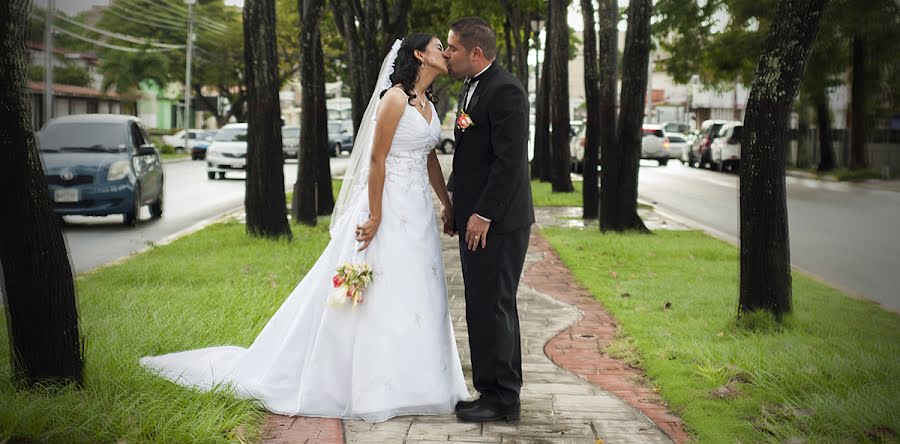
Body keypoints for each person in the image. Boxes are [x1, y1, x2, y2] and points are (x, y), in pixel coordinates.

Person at [140, 34, 469, 423]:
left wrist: (446, 205)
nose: (445, 54)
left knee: (419, 289)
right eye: (437, 47)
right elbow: (377, 161)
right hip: (388, 206)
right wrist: (376, 215)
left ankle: (423, 382)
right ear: (419, 55)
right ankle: (371, 384)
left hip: (418, 214)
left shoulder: (429, 104)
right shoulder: (394, 99)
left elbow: (429, 157)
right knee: (378, 290)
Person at [442, 17, 535, 423]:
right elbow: (467, 155)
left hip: (498, 222)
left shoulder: (506, 90)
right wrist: (454, 202)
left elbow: (509, 162)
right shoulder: (470, 88)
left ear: (475, 52)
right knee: (481, 305)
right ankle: (489, 390)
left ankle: (503, 399)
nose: (447, 54)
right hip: (473, 217)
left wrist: (481, 214)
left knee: (494, 305)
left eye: (453, 48)